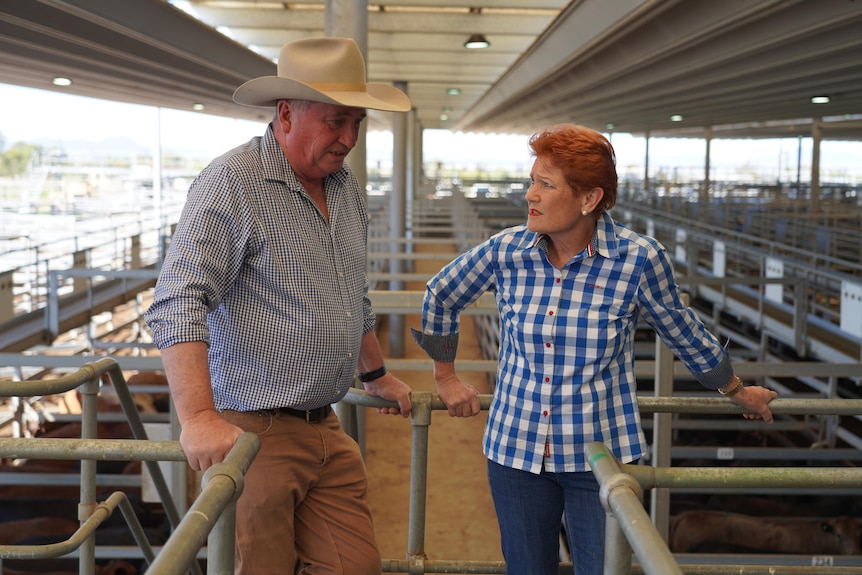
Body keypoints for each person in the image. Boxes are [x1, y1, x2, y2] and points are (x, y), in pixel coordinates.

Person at [411, 124, 778, 574]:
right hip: (516, 450)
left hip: (598, 455)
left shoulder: (639, 259)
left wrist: (736, 389)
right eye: (532, 181)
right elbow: (441, 294)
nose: (531, 195)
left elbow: (682, 331)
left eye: (546, 185)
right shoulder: (507, 250)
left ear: (589, 199)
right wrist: (445, 378)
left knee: (601, 569)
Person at [144, 37, 413, 575]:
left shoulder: (345, 188)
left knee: (355, 567)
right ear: (286, 113)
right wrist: (197, 418)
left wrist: (376, 373)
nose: (350, 138)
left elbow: (348, 294)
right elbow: (178, 300)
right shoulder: (232, 183)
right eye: (338, 120)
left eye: (357, 122)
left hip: (326, 426)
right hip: (252, 429)